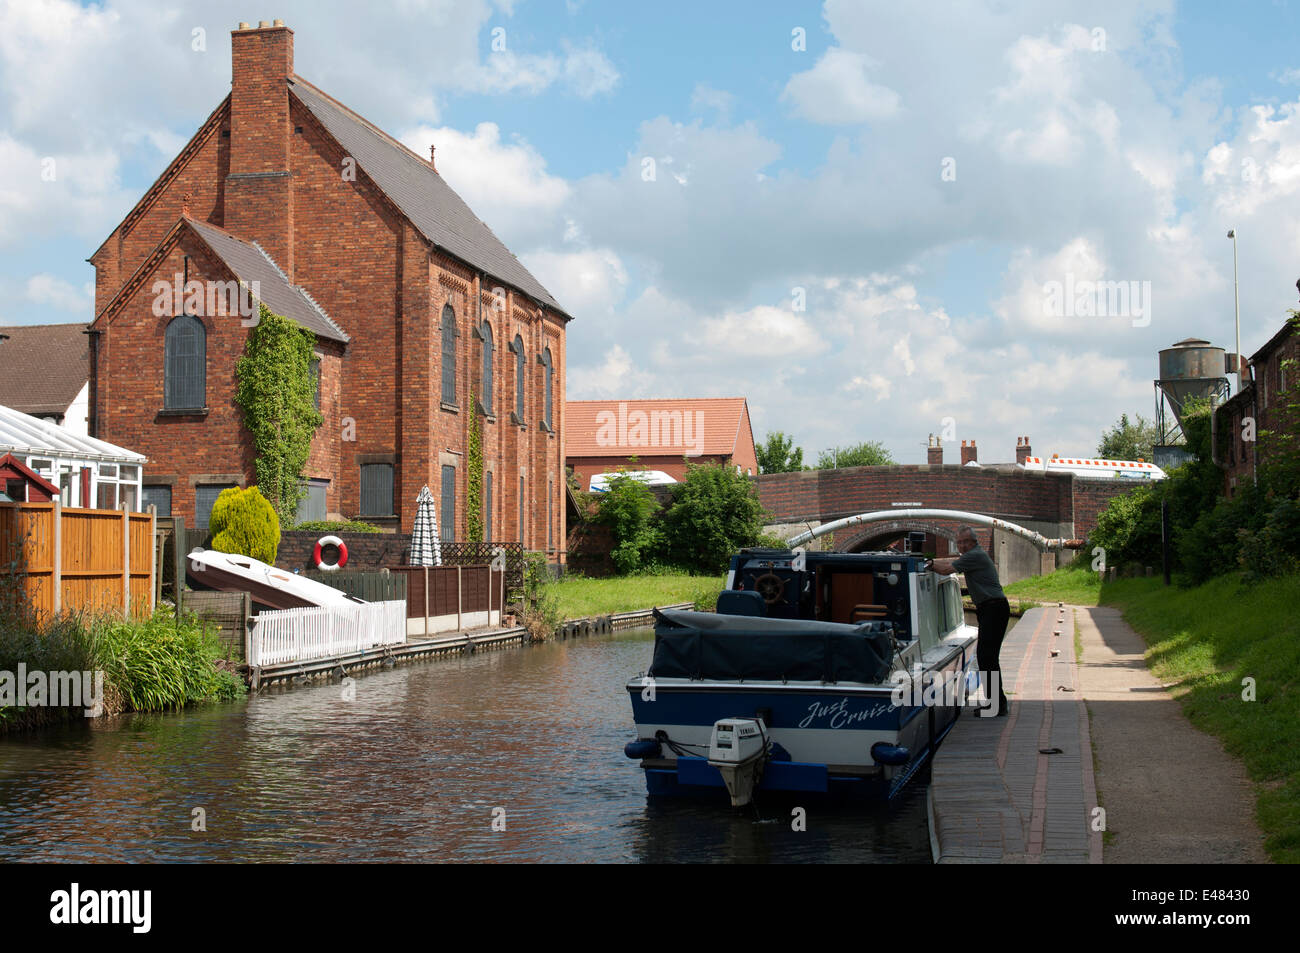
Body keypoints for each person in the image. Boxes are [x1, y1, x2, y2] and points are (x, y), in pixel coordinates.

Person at [931, 526, 1010, 716]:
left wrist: (928, 564)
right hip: (990, 609)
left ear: (973, 542)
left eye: (966, 542)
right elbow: (952, 562)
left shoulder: (975, 555)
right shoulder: (972, 556)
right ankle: (998, 703)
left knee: (986, 657)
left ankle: (997, 705)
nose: (962, 545)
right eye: (959, 542)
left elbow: (946, 569)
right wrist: (934, 562)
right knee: (988, 657)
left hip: (993, 608)